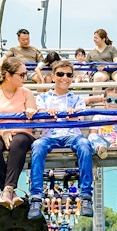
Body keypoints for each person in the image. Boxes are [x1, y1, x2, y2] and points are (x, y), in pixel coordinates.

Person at [28, 60, 94, 219]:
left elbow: (81, 117)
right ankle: (36, 196)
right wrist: (46, 113)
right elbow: (41, 118)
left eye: (69, 75)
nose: (65, 78)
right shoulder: (43, 98)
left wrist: (73, 114)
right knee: (37, 146)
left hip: (72, 135)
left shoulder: (77, 99)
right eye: (60, 74)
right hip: (50, 136)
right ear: (53, 76)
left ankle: (86, 195)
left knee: (84, 144)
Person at [0, 57, 37, 207]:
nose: (25, 78)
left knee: (19, 141)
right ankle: (10, 192)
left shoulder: (26, 93)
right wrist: (2, 132)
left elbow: (32, 117)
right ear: (8, 76)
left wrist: (30, 111)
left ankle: (8, 189)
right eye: (21, 75)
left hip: (20, 132)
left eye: (26, 74)